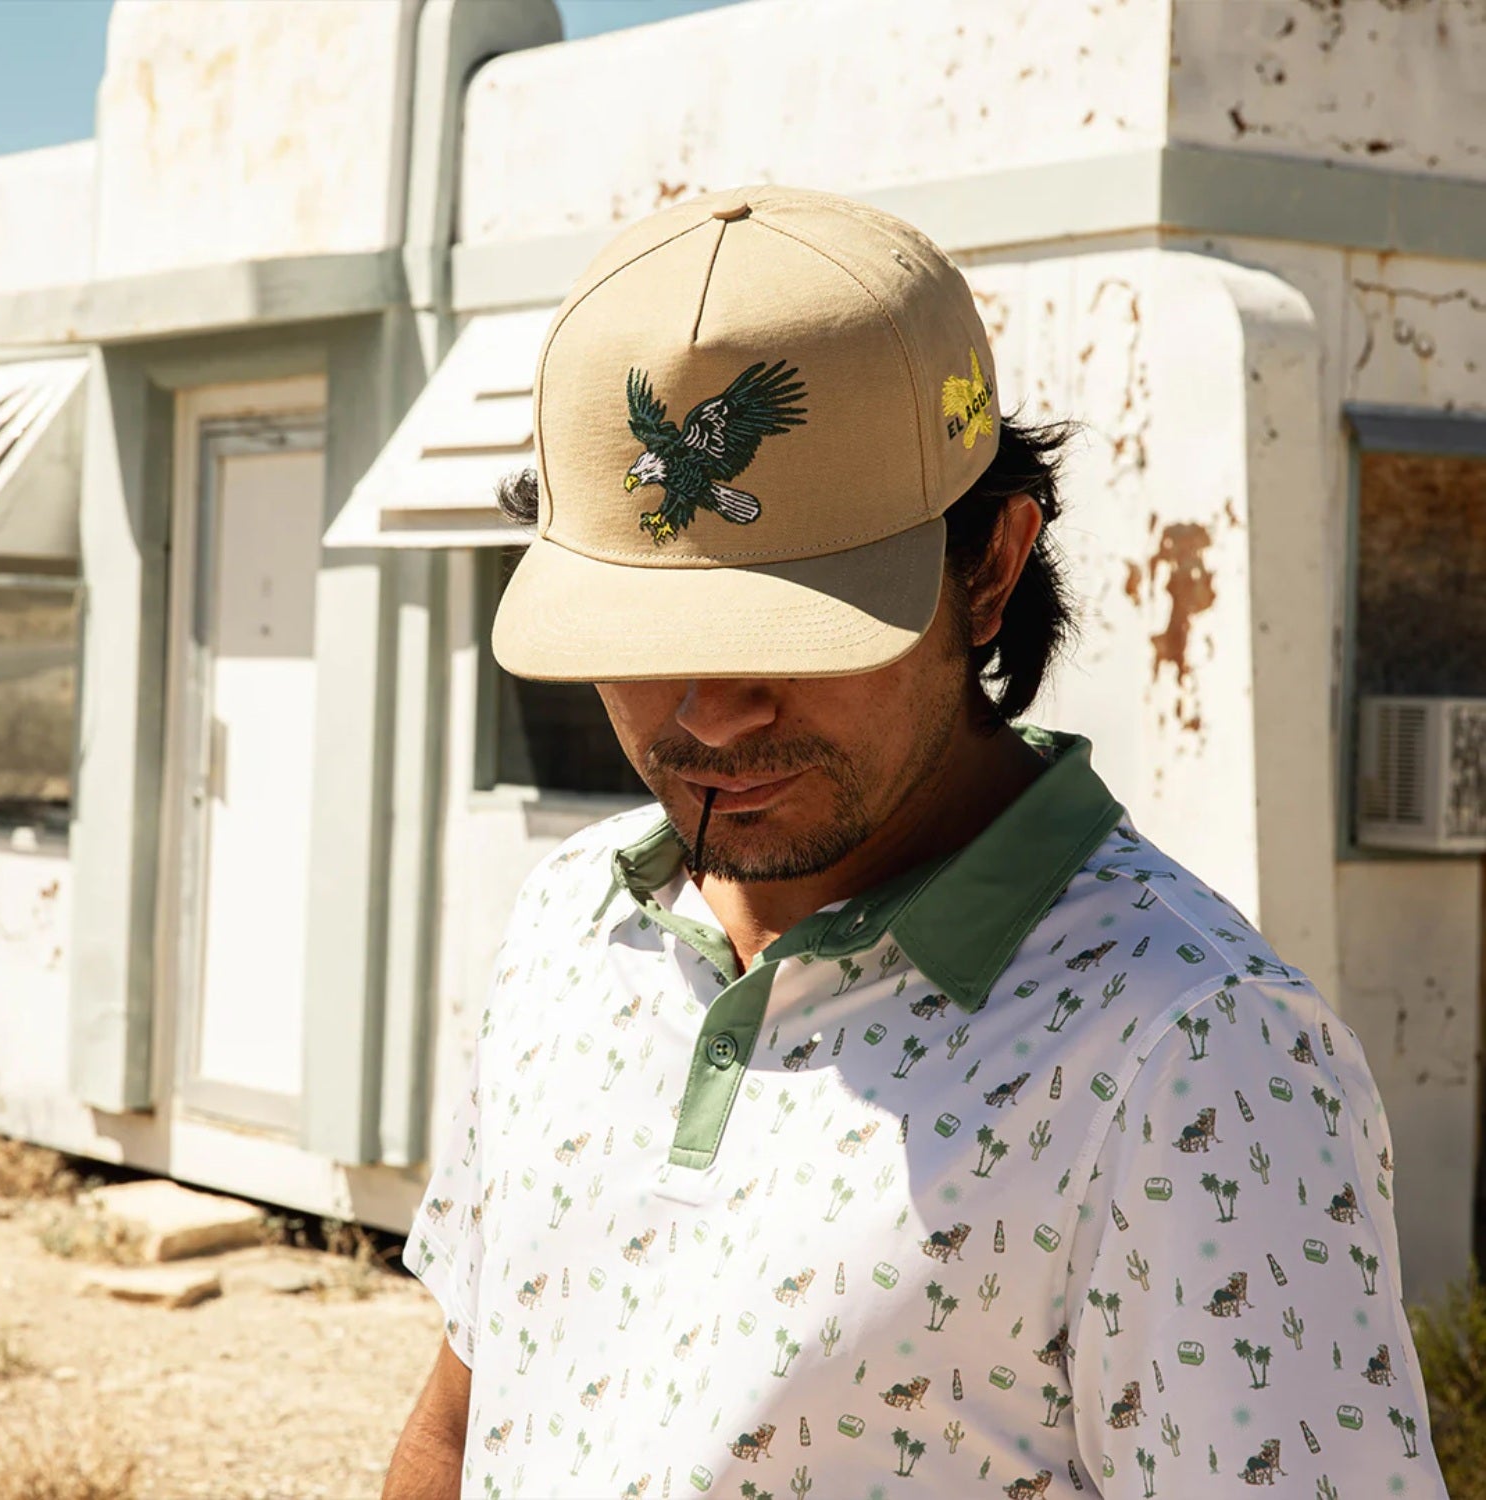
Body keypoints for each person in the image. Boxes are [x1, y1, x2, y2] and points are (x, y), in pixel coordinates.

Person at [383, 185, 1446, 1499]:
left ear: (988, 566)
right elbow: (465, 1423)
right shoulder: (573, 921)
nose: (710, 711)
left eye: (796, 630)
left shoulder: (1198, 1054)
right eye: (641, 634)